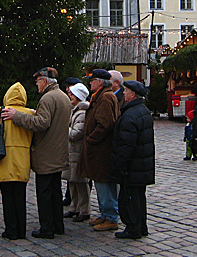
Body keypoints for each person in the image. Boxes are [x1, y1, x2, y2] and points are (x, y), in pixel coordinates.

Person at [2, 68, 71, 239]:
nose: (36, 85)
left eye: (38, 81)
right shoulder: (62, 96)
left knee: (44, 193)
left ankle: (46, 228)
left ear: (45, 81)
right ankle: (58, 225)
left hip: (46, 155)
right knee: (55, 191)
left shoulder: (47, 98)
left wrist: (17, 116)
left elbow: (41, 124)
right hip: (58, 152)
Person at [0, 83, 34, 240]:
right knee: (20, 196)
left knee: (7, 197)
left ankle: (11, 230)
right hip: (22, 159)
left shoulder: (0, 112)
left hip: (3, 160)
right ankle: (21, 230)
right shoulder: (30, 114)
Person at [109, 81, 155, 239]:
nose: (124, 93)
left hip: (133, 166)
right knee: (139, 197)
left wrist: (120, 165)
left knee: (130, 198)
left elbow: (126, 145)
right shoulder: (143, 111)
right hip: (142, 164)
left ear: (133, 95)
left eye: (126, 91)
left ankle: (133, 227)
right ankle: (141, 226)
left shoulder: (130, 115)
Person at [78, 68, 121, 232]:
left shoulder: (105, 97)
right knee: (101, 183)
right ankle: (105, 213)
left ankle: (110, 217)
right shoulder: (101, 96)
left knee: (104, 184)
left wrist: (91, 139)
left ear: (101, 82)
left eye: (93, 80)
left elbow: (105, 124)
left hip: (101, 150)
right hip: (99, 149)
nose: (90, 83)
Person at [62, 83, 91, 222]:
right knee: (72, 181)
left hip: (78, 152)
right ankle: (74, 207)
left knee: (80, 182)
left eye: (72, 94)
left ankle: (84, 209)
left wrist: (63, 128)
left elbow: (75, 134)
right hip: (72, 151)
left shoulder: (82, 113)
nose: (70, 96)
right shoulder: (75, 110)